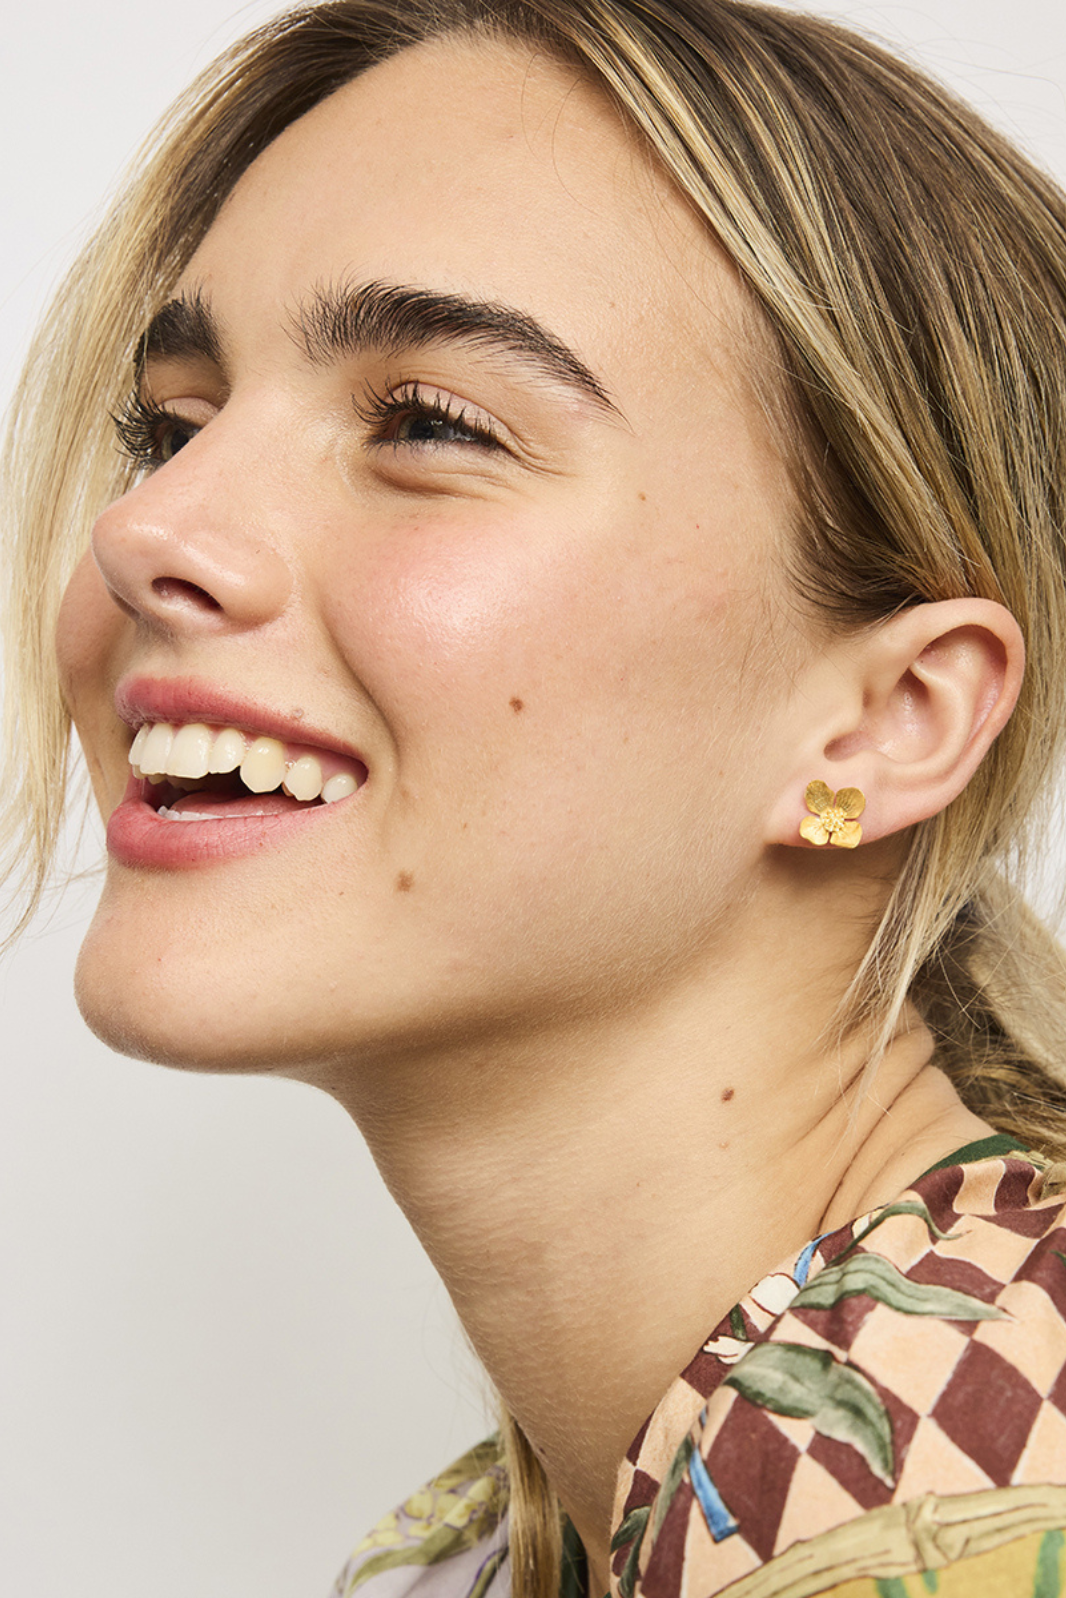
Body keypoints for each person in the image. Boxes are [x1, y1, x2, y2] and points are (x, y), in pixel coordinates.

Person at [6, 1, 1066, 1595]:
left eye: (427, 424)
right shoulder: (529, 1536)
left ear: (886, 719)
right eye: (171, 428)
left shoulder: (933, 1512)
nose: (146, 528)